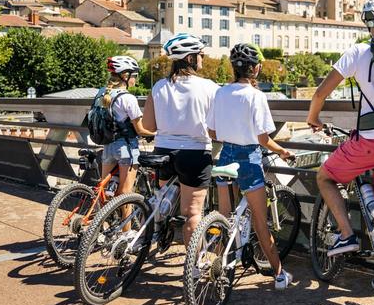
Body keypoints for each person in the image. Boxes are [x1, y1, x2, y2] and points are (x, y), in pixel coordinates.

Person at [306, 0, 374, 295]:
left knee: (324, 176)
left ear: (369, 24)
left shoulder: (358, 52)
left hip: (370, 144)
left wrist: (313, 118)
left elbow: (320, 92)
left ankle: (346, 234)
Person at [206, 43, 295, 290]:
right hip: (248, 159)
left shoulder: (220, 93)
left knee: (224, 217)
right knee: (260, 222)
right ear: (255, 69)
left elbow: (212, 131)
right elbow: (263, 139)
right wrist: (282, 151)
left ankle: (215, 264)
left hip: (225, 156)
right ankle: (279, 275)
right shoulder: (256, 96)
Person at [142, 33, 219, 246]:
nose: (202, 58)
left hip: (163, 151)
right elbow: (215, 130)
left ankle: (157, 230)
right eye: (200, 55)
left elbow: (148, 127)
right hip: (195, 153)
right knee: (192, 213)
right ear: (191, 58)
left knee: (163, 200)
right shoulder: (210, 87)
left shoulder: (158, 86)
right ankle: (194, 267)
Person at [99, 56, 155, 196]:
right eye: (134, 75)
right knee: (125, 194)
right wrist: (157, 134)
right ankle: (127, 219)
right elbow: (140, 129)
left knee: (105, 191)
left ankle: (102, 217)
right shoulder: (128, 98)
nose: (135, 79)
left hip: (107, 146)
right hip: (125, 148)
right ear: (125, 75)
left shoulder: (103, 93)